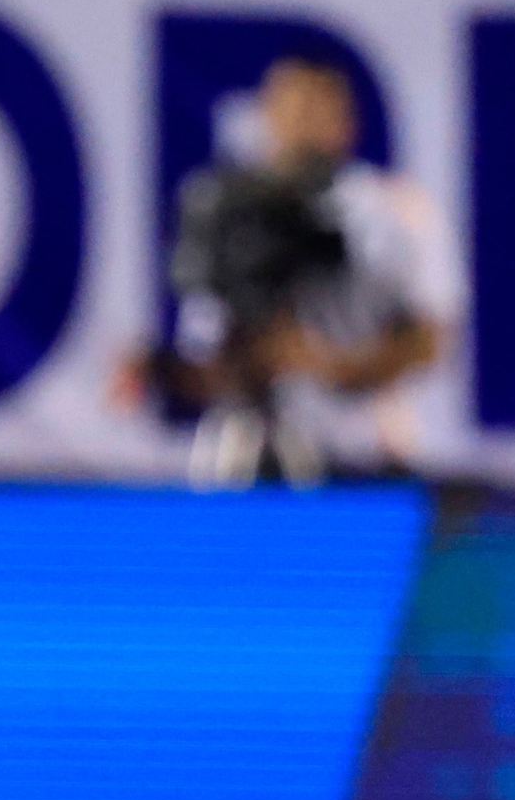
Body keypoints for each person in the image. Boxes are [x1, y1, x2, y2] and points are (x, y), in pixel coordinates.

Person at [166, 50, 457, 485]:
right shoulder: (229, 212)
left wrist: (330, 366)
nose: (300, 126)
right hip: (248, 455)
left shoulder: (393, 209)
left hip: (364, 447)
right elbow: (206, 357)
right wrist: (163, 369)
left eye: (314, 110)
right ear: (265, 117)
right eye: (287, 109)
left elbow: (430, 338)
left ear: (346, 122)